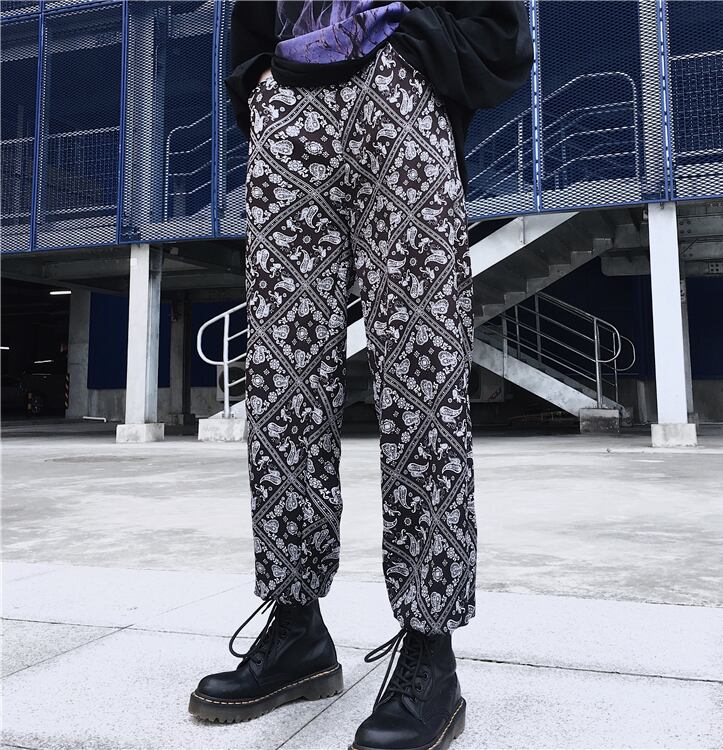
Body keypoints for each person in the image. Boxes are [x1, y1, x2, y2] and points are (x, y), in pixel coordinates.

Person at [189, 2, 533, 748]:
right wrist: (261, 81)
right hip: (290, 98)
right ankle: (296, 629)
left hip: (398, 86)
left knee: (422, 375)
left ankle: (431, 651)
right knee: (281, 379)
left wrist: (421, 56)